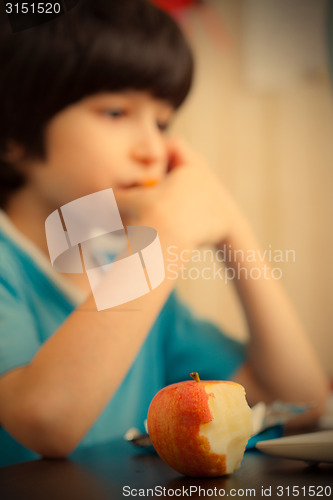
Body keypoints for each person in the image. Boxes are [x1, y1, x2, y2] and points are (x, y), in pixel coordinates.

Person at [0, 0, 328, 467]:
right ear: (11, 133)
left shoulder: (131, 279)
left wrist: (232, 229)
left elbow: (298, 401)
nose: (152, 148)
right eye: (115, 112)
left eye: (162, 122)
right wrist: (168, 232)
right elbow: (45, 421)